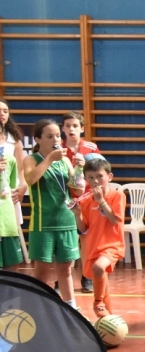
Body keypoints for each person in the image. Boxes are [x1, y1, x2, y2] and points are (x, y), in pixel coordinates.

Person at [21, 119, 85, 309]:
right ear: (37, 139)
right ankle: (37, 308)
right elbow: (31, 179)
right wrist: (49, 159)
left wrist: (79, 168)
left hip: (66, 221)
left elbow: (78, 190)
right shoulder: (31, 159)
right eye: (49, 136)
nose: (56, 139)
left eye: (57, 135)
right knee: (42, 272)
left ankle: (71, 308)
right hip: (44, 223)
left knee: (65, 270)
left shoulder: (64, 161)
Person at [74, 155, 125, 317]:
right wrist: (77, 214)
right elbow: (83, 229)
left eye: (99, 176)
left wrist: (101, 201)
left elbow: (114, 220)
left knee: (99, 267)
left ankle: (97, 302)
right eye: (90, 177)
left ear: (109, 177)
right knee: (104, 285)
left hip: (112, 245)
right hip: (93, 246)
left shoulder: (117, 195)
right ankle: (108, 319)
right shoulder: (85, 201)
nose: (95, 181)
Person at [61, 111, 99, 293]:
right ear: (63, 129)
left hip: (86, 200)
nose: (71, 129)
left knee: (86, 240)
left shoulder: (91, 148)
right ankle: (62, 277)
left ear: (82, 128)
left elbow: (99, 172)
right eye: (68, 125)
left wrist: (85, 165)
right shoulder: (58, 149)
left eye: (75, 126)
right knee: (67, 241)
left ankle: (87, 277)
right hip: (65, 201)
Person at [0, 99, 27, 271]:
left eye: (5, 111)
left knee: (11, 255)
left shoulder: (14, 140)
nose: (2, 114)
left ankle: (10, 286)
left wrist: (23, 186)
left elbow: (21, 169)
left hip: (8, 198)